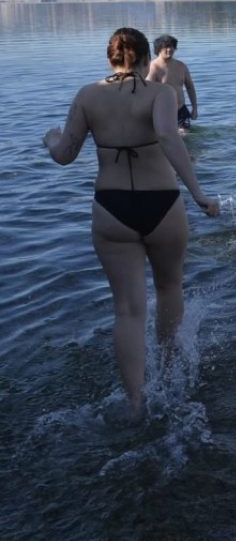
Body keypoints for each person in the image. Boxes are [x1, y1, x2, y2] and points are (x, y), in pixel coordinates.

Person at [43, 28, 219, 418]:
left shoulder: (88, 95)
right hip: (163, 205)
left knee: (127, 310)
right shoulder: (162, 93)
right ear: (144, 59)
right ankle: (171, 380)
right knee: (170, 289)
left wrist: (49, 139)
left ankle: (135, 403)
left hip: (111, 207)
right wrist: (199, 194)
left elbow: (65, 154)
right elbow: (168, 138)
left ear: (110, 59)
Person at [146, 34, 198, 131]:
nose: (169, 49)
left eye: (172, 47)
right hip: (162, 111)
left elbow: (190, 87)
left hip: (181, 109)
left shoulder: (181, 66)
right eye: (166, 47)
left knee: (186, 137)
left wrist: (194, 108)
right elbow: (146, 91)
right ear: (158, 49)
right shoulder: (153, 67)